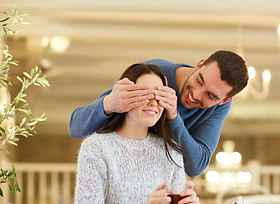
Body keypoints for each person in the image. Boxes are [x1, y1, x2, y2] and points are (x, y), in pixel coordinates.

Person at [69, 50, 249, 177]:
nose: (195, 94)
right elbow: (75, 128)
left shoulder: (219, 106)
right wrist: (108, 104)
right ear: (199, 65)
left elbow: (195, 167)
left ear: (224, 100)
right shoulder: (151, 75)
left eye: (211, 95)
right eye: (199, 80)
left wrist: (173, 117)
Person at [75, 64, 200, 204]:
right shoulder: (96, 148)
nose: (153, 102)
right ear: (124, 97)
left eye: (159, 95)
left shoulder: (171, 152)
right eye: (144, 94)